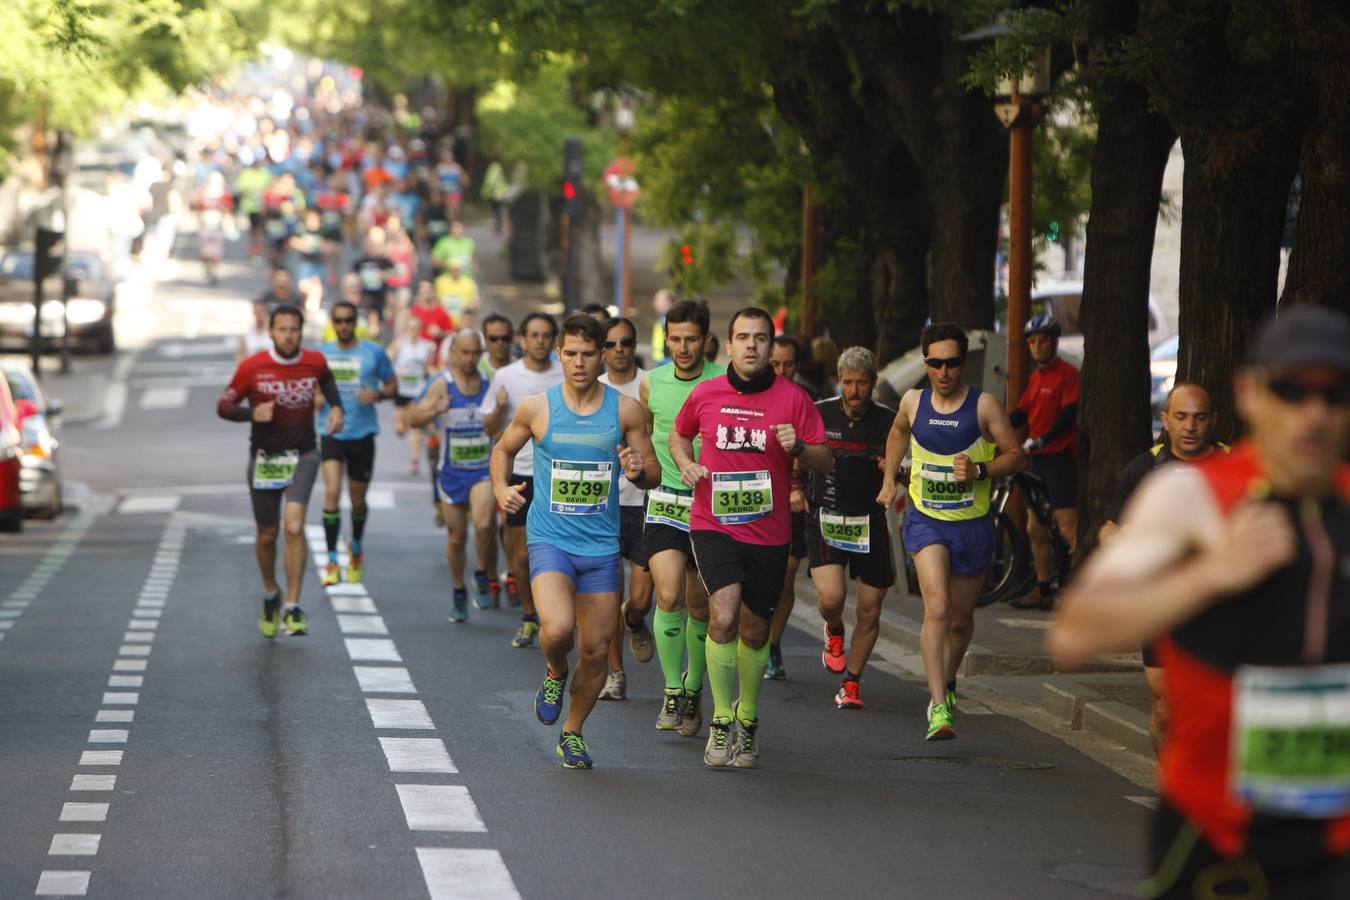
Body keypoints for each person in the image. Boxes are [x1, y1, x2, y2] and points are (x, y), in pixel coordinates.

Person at [1049, 306, 1350, 899]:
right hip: (1217, 836)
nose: (1313, 413)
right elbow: (1074, 632)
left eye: (1334, 393)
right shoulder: (1190, 496)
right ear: (1251, 393)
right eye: (1292, 391)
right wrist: (1211, 574)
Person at [490, 314, 660, 768]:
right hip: (550, 541)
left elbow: (655, 474)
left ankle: (573, 731)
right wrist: (501, 489)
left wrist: (639, 472)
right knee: (560, 631)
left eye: (589, 354)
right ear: (559, 355)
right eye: (571, 354)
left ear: (602, 354)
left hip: (602, 548)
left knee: (597, 650)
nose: (579, 363)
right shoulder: (537, 408)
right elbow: (502, 450)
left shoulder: (625, 410)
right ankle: (554, 671)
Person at [671, 307, 832, 768]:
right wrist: (686, 464)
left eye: (760, 338)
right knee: (723, 613)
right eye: (742, 337)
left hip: (769, 529)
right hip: (713, 522)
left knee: (756, 628)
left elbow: (826, 461)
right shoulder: (706, 394)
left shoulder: (795, 400)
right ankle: (721, 721)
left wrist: (800, 447)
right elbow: (679, 437)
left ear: (770, 346)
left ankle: (748, 716)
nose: (751, 346)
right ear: (726, 345)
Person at [877, 322, 1025, 741]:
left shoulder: (984, 407)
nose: (944, 371)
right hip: (925, 519)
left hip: (972, 524)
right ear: (926, 363)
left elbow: (1016, 457)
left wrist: (982, 470)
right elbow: (897, 433)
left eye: (953, 363)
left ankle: (950, 678)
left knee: (961, 621)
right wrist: (890, 479)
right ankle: (938, 705)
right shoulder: (912, 401)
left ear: (963, 364)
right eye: (936, 363)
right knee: (937, 608)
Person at [1098, 382, 1227, 754]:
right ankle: (1172, 783)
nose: (1190, 427)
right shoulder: (1146, 468)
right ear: (1165, 419)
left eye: (1200, 418)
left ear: (1213, 420)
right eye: (1181, 417)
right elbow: (1110, 527)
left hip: (1217, 604)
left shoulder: (1233, 467)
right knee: (1166, 705)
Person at [217, 304, 342, 637]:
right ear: (271, 332)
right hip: (265, 458)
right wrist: (251, 413)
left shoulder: (314, 361)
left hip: (303, 453)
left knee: (294, 526)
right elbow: (224, 405)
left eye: (294, 330)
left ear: (302, 332)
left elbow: (328, 382)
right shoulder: (253, 366)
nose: (289, 335)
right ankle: (271, 592)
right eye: (282, 329)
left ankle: (293, 606)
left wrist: (337, 408)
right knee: (267, 533)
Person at [639, 299, 724, 737]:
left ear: (706, 339)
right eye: (675, 339)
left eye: (691, 339)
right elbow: (643, 438)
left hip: (710, 506)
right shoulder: (651, 383)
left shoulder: (723, 382)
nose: (683, 347)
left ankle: (693, 687)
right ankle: (672, 691)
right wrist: (638, 468)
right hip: (665, 501)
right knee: (668, 595)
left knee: (699, 605)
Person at [807, 347, 897, 709]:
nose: (855, 391)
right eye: (848, 383)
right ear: (839, 381)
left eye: (862, 383)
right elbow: (799, 457)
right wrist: (797, 493)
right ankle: (835, 629)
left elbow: (904, 466)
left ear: (873, 383)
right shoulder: (819, 413)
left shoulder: (889, 421)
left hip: (870, 520)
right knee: (832, 599)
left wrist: (892, 471)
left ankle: (853, 682)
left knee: (871, 609)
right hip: (827, 516)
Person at [481, 313, 564, 646]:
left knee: (559, 549)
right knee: (520, 554)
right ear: (523, 339)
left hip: (559, 474)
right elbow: (491, 430)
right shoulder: (505, 375)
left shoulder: (566, 373)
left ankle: (554, 614)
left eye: (546, 335)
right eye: (534, 335)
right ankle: (529, 616)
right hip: (521, 473)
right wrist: (499, 409)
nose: (540, 341)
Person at [411, 329, 499, 620]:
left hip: (482, 470)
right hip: (450, 472)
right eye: (465, 352)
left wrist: (497, 409)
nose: (470, 358)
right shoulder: (442, 385)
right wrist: (434, 410)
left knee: (485, 526)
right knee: (457, 537)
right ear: (452, 354)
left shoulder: (490, 384)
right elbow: (413, 417)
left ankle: (481, 575)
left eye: (476, 352)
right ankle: (459, 588)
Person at [316, 301, 397, 587]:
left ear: (355, 322)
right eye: (338, 320)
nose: (344, 325)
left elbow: (392, 385)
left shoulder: (373, 352)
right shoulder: (321, 353)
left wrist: (378, 394)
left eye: (348, 320)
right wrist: (316, 400)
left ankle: (357, 548)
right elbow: (312, 389)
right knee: (332, 492)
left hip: (362, 434)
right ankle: (331, 560)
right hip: (331, 432)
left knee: (358, 499)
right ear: (332, 322)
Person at [597, 317, 655, 701]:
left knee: (640, 599)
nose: (620, 349)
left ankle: (634, 619)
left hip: (645, 500)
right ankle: (615, 674)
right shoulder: (591, 390)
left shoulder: (650, 385)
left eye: (627, 342)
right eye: (613, 343)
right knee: (609, 588)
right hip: (603, 505)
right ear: (602, 349)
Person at [1008, 314, 1080, 610]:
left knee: (1067, 527)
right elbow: (1020, 414)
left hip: (1059, 459)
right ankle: (1043, 588)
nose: (1037, 346)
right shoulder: (1035, 378)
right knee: (1034, 528)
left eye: (1043, 341)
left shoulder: (1068, 374)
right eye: (1033, 342)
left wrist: (1043, 439)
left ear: (1054, 342)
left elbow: (1068, 415)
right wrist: (989, 428)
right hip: (1035, 460)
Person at [765, 335, 817, 680]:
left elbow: (813, 449)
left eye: (788, 364)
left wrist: (796, 486)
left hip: (791, 497)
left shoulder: (802, 399)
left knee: (786, 575)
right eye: (775, 364)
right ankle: (746, 638)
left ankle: (772, 644)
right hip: (751, 497)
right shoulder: (747, 395)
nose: (782, 371)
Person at [388, 313, 437, 475]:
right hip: (402, 389)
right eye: (411, 327)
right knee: (402, 429)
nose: (414, 331)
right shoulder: (399, 344)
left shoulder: (426, 346)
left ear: (420, 329)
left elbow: (428, 367)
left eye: (417, 328)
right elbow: (387, 360)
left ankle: (414, 460)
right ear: (407, 328)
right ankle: (399, 423)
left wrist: (436, 377)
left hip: (418, 390)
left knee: (415, 427)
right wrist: (395, 372)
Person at [352, 227, 395, 338]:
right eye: (369, 243)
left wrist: (386, 275)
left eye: (374, 243)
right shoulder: (360, 262)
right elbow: (352, 276)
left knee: (379, 308)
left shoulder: (385, 261)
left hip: (380, 293)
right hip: (364, 292)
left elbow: (395, 274)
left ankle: (377, 330)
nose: (371, 246)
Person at [192, 170, 233, 285]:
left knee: (216, 252)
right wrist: (197, 222)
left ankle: (214, 271)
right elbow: (197, 208)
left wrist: (228, 222)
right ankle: (207, 266)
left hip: (218, 226)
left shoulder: (225, 194)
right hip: (204, 226)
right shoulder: (201, 193)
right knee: (205, 252)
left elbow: (228, 210)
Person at [479, 313, 515, 380]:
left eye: (504, 338)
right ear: (485, 339)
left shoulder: (520, 367)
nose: (500, 343)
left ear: (511, 338)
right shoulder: (475, 368)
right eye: (493, 339)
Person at [648, 289, 675, 364]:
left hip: (667, 361)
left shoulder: (670, 319)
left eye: (658, 300)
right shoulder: (662, 318)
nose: (655, 303)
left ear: (668, 302)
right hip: (662, 361)